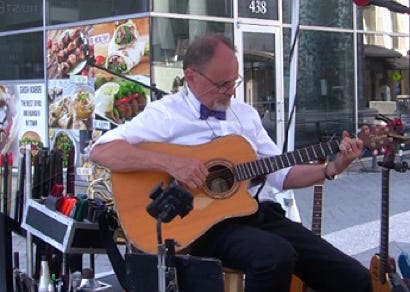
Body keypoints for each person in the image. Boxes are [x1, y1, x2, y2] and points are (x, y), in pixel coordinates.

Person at [89, 34, 371, 292]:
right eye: (222, 84)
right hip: (199, 225)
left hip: (250, 214)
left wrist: (331, 168)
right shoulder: (165, 115)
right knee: (274, 256)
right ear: (191, 77)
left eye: (234, 82)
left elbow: (281, 174)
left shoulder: (245, 115)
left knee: (353, 278)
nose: (230, 92)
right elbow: (101, 151)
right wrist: (171, 163)